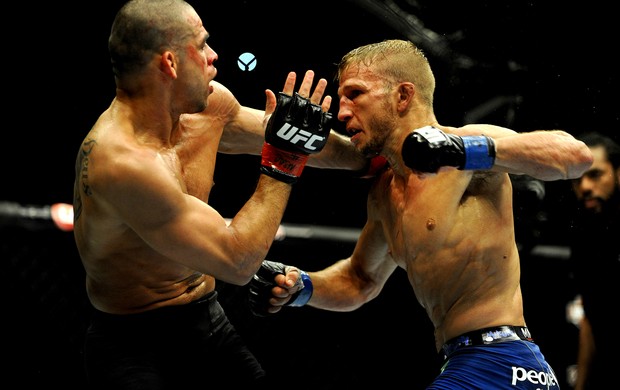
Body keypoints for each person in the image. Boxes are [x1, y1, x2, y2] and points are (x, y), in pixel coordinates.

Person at [247, 39, 593, 389]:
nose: (342, 112)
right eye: (341, 99)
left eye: (355, 94)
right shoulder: (384, 195)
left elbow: (575, 156)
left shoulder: (466, 147)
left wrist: (464, 151)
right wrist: (302, 286)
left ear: (402, 96)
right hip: (462, 363)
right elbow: (359, 281)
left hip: (506, 364)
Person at [72, 0, 369, 388]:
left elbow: (295, 137)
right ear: (170, 63)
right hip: (132, 345)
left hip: (208, 322)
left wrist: (377, 159)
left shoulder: (209, 105)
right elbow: (238, 261)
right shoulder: (124, 163)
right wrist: (283, 162)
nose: (214, 55)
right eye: (203, 43)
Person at [567, 132, 620, 390]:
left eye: (595, 175)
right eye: (577, 179)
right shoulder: (583, 235)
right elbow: (591, 315)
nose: (585, 186)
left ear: (618, 173)